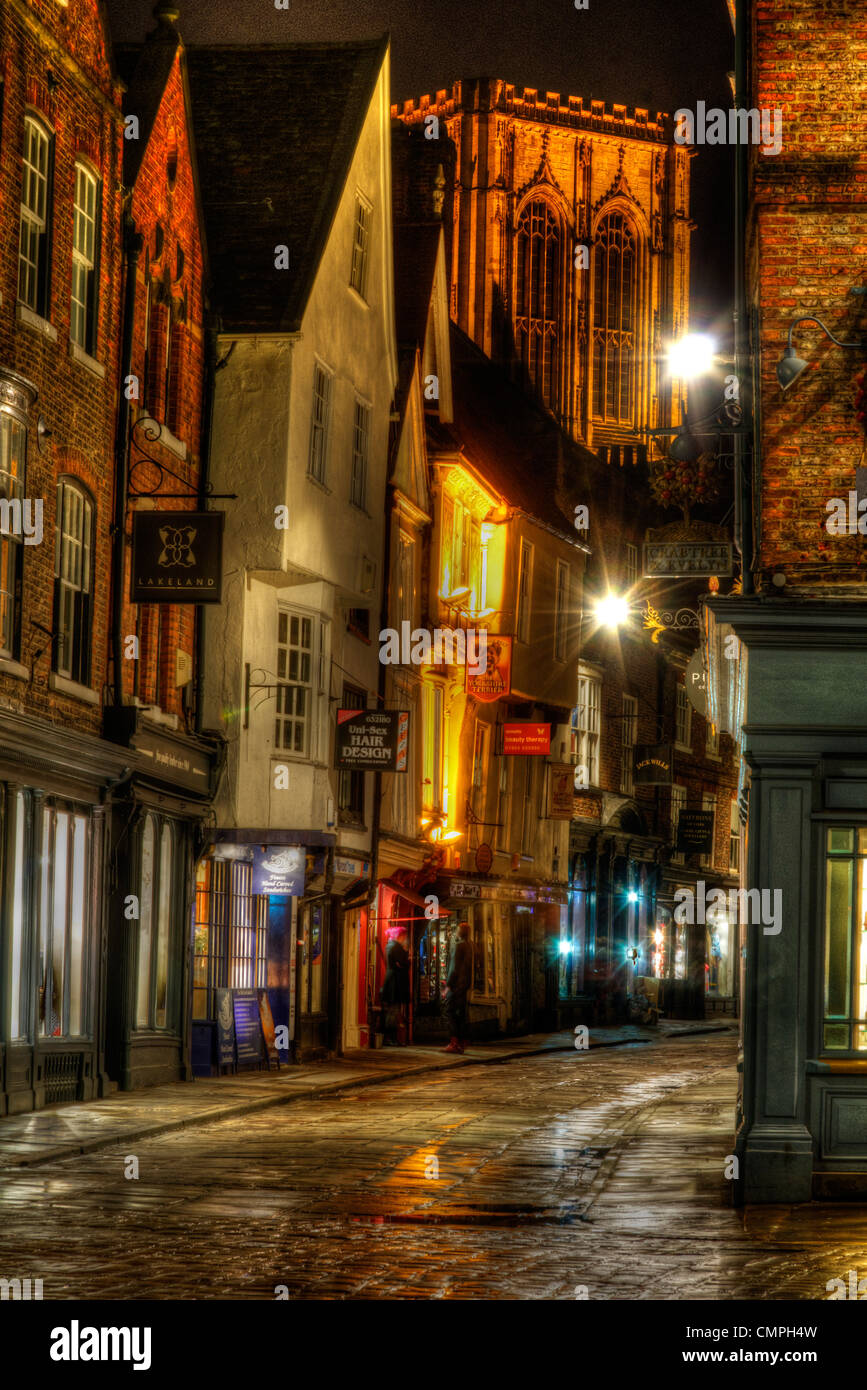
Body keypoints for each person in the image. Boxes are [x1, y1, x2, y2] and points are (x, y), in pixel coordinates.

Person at [442, 921, 472, 1053]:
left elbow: (454, 968)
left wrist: (448, 986)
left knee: (449, 1012)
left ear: (459, 933)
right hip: (464, 985)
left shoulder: (458, 946)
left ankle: (454, 1042)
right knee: (461, 1014)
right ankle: (462, 1041)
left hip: (455, 986)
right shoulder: (470, 945)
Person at [380, 928, 410, 1045]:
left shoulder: (389, 946)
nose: (405, 938)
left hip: (391, 980)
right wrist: (408, 959)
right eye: (404, 936)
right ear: (399, 936)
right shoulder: (396, 948)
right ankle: (390, 1038)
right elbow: (403, 964)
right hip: (396, 982)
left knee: (392, 1010)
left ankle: (390, 1037)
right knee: (394, 1010)